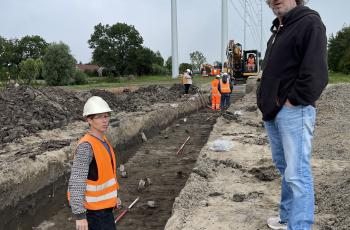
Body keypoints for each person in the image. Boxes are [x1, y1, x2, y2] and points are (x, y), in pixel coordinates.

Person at [257, 0, 328, 229]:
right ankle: (286, 216)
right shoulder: (278, 29)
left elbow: (316, 73)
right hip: (273, 112)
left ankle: (299, 226)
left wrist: (291, 101)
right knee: (286, 169)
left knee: (297, 174)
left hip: (293, 111)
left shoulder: (309, 23)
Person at [68, 96, 121, 230]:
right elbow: (76, 182)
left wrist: (115, 197)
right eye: (99, 117)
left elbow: (107, 176)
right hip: (94, 213)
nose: (105, 120)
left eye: (106, 116)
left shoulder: (103, 141)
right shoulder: (86, 147)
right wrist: (80, 216)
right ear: (89, 120)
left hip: (105, 209)